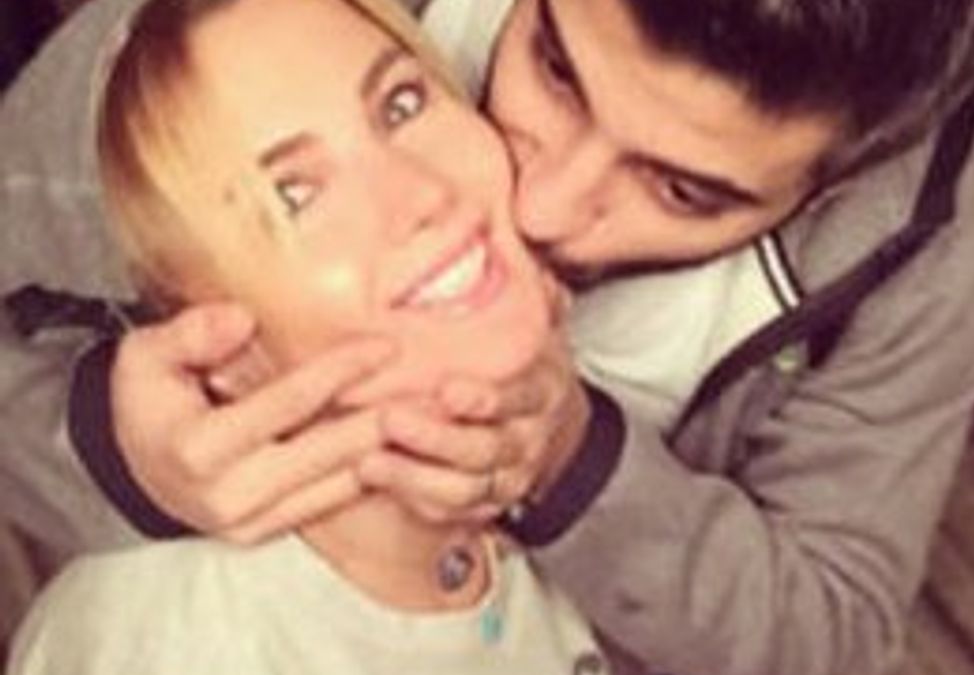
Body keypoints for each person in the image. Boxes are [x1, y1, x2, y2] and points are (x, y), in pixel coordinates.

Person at [0, 1, 974, 674]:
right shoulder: (215, 43)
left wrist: (571, 463)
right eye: (557, 70)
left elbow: (828, 631)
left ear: (837, 180)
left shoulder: (924, 242)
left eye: (682, 190)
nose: (537, 206)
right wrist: (98, 447)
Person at [6, 0, 603, 672]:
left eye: (402, 104)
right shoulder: (158, 643)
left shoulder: (562, 549)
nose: (424, 194)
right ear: (213, 344)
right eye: (293, 195)